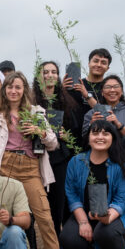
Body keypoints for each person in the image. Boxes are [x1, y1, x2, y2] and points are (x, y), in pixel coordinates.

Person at [0, 72, 76, 249]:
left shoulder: (36, 113)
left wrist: (40, 131)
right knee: (2, 216)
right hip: (5, 164)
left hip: (30, 166)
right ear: (5, 90)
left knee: (44, 216)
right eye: (9, 87)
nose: (13, 91)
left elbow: (53, 144)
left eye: (17, 87)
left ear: (24, 89)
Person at [60, 120, 125, 249]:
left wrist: (107, 218)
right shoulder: (76, 162)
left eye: (105, 133)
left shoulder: (122, 165)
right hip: (86, 214)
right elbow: (71, 194)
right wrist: (82, 222)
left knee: (105, 232)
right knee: (67, 239)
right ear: (88, 138)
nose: (100, 137)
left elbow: (123, 199)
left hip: (116, 216)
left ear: (113, 138)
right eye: (95, 133)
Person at [32, 61, 80, 235]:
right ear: (39, 76)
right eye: (45, 72)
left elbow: (75, 133)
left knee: (58, 201)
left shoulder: (66, 102)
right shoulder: (31, 102)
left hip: (60, 158)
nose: (50, 75)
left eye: (54, 71)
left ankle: (57, 241)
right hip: (36, 157)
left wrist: (66, 137)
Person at [63, 47, 112, 126]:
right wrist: (62, 90)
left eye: (103, 62)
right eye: (96, 61)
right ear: (89, 63)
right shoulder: (76, 84)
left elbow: (104, 114)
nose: (99, 65)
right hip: (73, 135)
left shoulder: (109, 89)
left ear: (107, 68)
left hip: (98, 134)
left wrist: (87, 95)